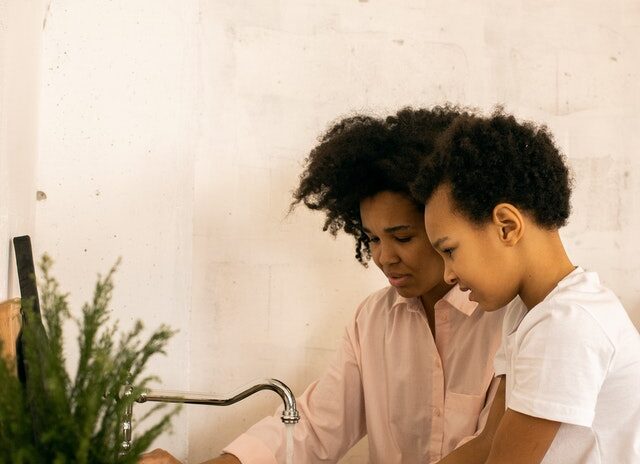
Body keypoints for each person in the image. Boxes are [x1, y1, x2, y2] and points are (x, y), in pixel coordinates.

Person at [140, 106, 506, 464]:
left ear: (443, 225)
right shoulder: (372, 320)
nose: (384, 257)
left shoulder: (506, 318)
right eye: (373, 238)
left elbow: (497, 449)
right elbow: (313, 428)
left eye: (402, 237)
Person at [411, 109, 640, 463]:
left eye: (450, 251)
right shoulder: (529, 311)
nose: (448, 276)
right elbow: (488, 444)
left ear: (506, 226)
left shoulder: (566, 323)